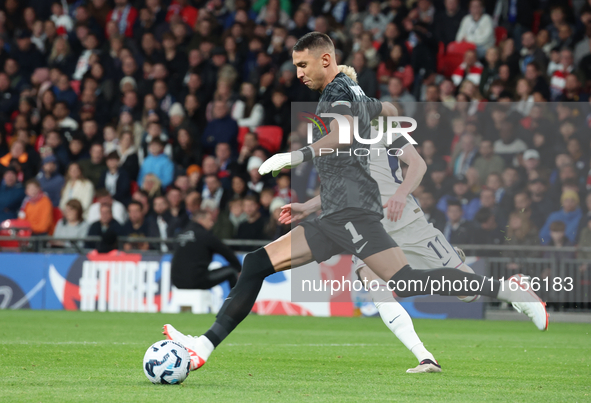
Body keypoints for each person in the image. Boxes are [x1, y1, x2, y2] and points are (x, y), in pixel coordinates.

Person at [163, 32, 547, 375]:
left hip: (353, 214)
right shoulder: (352, 92)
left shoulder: (335, 93)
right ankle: (203, 346)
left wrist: (294, 156)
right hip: (335, 211)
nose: (298, 73)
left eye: (302, 64)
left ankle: (506, 290)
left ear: (325, 60)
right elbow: (392, 113)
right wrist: (310, 205)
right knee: (257, 262)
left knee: (405, 282)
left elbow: (343, 133)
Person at [171, 209, 242, 290]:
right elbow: (226, 252)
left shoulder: (180, 234)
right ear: (201, 220)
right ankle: (238, 302)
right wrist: (239, 268)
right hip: (196, 280)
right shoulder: (204, 235)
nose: (212, 224)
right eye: (210, 220)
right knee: (232, 271)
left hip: (177, 282)